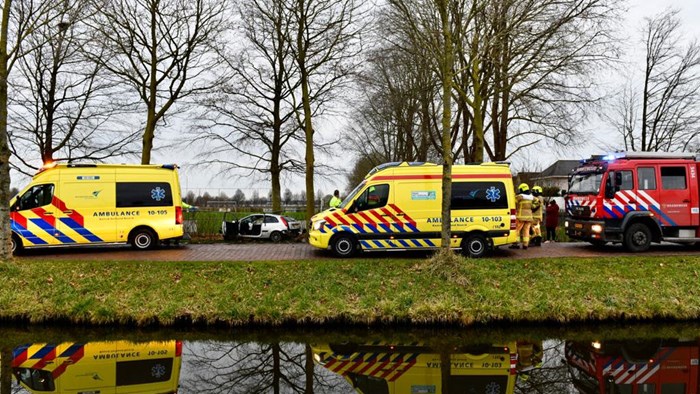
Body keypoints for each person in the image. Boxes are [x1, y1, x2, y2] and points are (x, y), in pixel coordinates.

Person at [510, 183, 534, 249]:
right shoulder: (531, 197)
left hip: (521, 216)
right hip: (529, 217)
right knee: (526, 231)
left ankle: (515, 244)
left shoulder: (520, 196)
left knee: (517, 230)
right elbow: (535, 205)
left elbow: (513, 201)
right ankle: (525, 244)